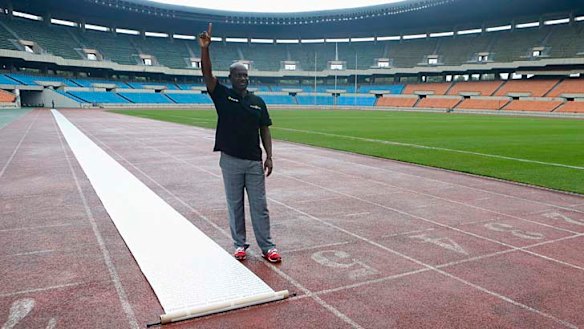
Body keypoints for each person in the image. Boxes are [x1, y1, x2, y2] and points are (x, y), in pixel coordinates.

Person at [198, 23, 281, 263]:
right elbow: (206, 74)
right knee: (235, 205)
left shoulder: (258, 101)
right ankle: (239, 245)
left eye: (245, 75)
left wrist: (270, 155)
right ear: (230, 77)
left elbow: (264, 128)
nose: (242, 78)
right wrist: (205, 49)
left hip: (254, 162)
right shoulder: (223, 95)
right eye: (238, 75)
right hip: (231, 161)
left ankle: (267, 247)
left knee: (260, 207)